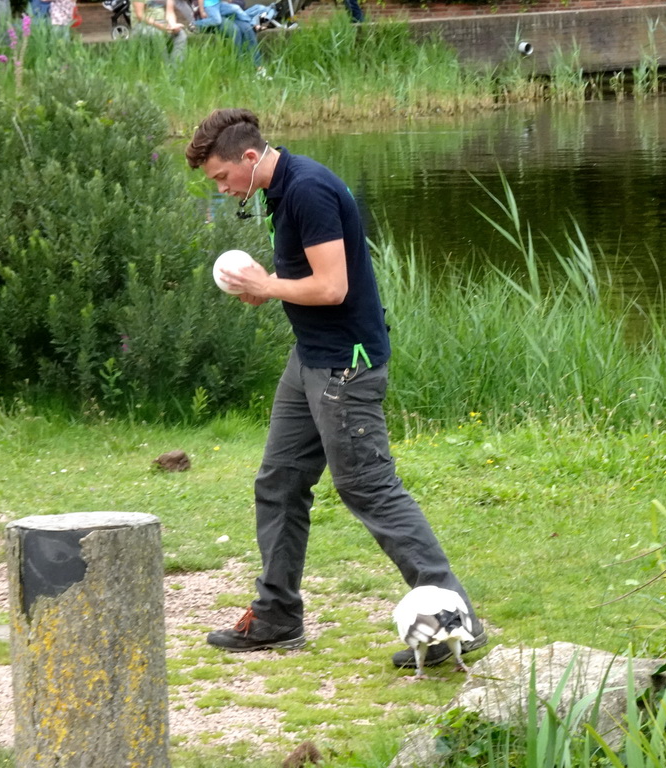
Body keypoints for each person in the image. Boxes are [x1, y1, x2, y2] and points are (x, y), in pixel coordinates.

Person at [185, 108, 488, 672]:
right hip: (311, 362)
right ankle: (277, 617)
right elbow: (308, 284)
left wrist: (267, 285)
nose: (223, 190)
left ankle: (456, 623)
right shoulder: (278, 191)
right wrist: (267, 291)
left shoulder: (309, 190)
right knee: (279, 482)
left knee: (370, 488)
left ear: (250, 158)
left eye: (223, 178)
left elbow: (332, 286)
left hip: (344, 368)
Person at [194, 0, 259, 64]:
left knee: (247, 28)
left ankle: (258, 65)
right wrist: (201, 10)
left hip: (227, 9)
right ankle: (240, 65)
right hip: (211, 13)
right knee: (234, 31)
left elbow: (241, 3)